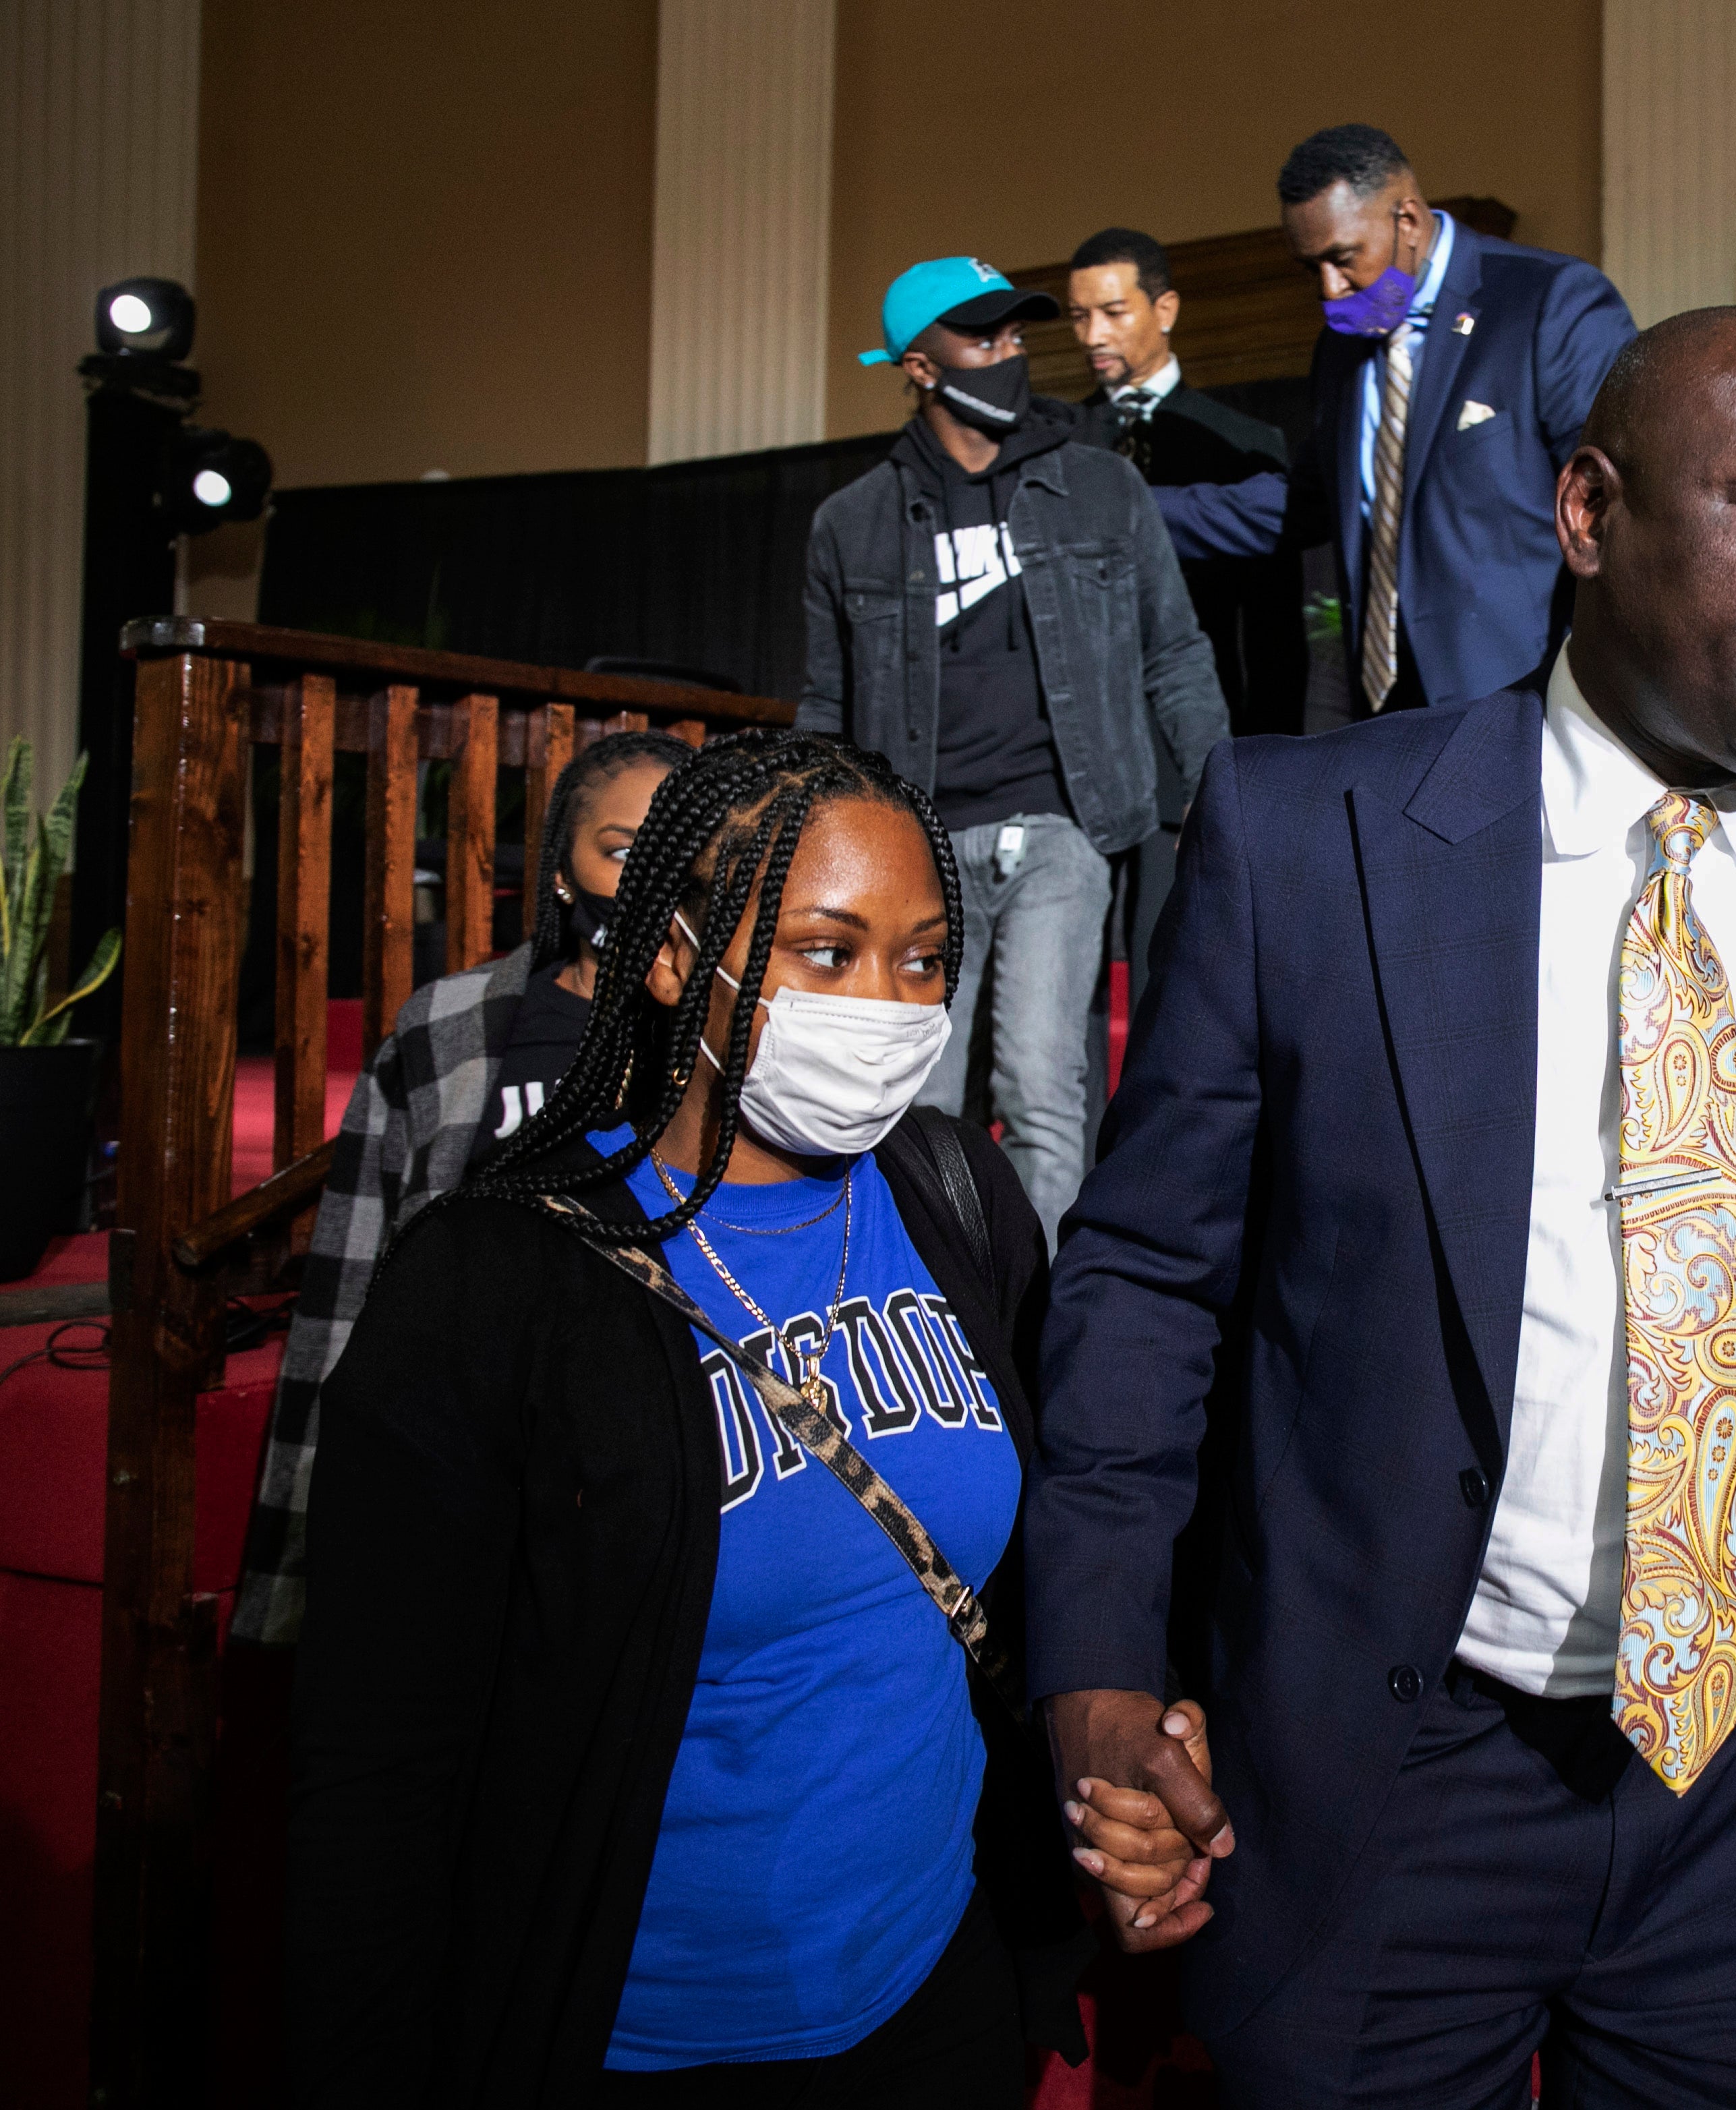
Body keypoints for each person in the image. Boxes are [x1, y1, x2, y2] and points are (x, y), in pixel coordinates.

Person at [1024, 307, 1736, 2108]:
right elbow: (1146, 1283)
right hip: (1388, 1778)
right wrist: (1101, 1667)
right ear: (1587, 513)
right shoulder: (1307, 837)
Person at [284, 731, 1196, 2105]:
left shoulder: (955, 1200)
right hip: (627, 2033)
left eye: (923, 958)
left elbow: (1041, 1537)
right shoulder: (492, 1282)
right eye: (827, 952)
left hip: (930, 1994)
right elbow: (375, 1777)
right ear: (670, 956)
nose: (886, 1004)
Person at [232, 726, 693, 1647]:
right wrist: (292, 1571)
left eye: (681, 853)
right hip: (466, 1454)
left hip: (653, 1462)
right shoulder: (451, 1028)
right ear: (562, 869)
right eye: (621, 850)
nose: (649, 880)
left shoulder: (723, 1044)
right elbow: (350, 1292)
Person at [801, 255, 1228, 1241]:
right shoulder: (852, 524)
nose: (1006, 354)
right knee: (916, 1094)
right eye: (980, 338)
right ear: (918, 365)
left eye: (1013, 336)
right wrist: (816, 842)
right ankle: (932, 1299)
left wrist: (1216, 778)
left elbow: (1175, 651)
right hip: (917, 845)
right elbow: (826, 700)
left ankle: (1046, 1326)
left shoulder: (1100, 489)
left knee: (1044, 1082)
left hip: (1065, 827)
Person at [1153, 123, 1636, 714]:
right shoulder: (1340, 351)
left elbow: (1618, 504)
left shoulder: (1547, 302)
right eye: (1312, 269)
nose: (1330, 291)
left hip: (1527, 701)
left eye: (1342, 258)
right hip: (1389, 712)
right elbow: (1309, 503)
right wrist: (1129, 510)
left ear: (1406, 220)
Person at [1067, 227, 1303, 740]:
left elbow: (1274, 629)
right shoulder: (1058, 443)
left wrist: (1270, 748)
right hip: (1088, 731)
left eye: (1112, 312)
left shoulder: (1244, 441)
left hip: (1209, 721)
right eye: (1080, 317)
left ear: (1165, 309)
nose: (1092, 337)